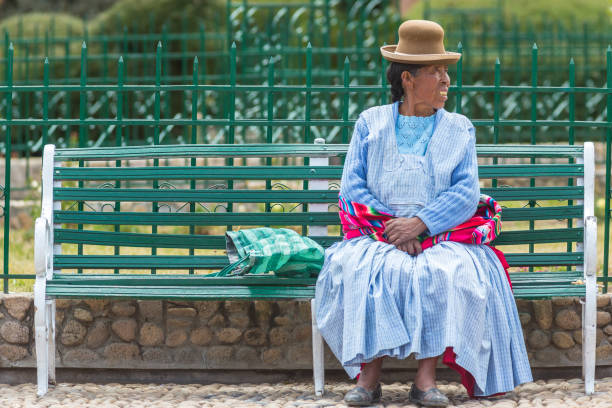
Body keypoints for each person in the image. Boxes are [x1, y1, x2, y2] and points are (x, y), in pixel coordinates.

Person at [314, 20, 532, 407]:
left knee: (445, 272)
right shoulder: (371, 123)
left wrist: (421, 224)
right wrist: (393, 232)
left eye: (446, 70)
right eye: (437, 71)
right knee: (363, 269)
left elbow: (466, 192)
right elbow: (353, 188)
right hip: (376, 233)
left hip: (441, 233)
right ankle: (370, 377)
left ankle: (425, 379)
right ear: (409, 79)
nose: (447, 79)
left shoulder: (459, 129)